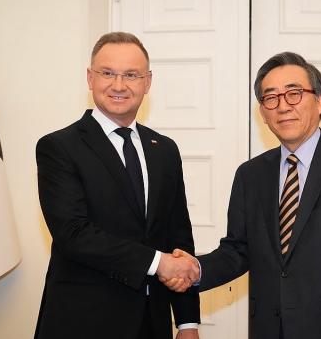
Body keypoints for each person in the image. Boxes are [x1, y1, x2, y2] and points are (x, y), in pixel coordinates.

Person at [163, 52, 321, 339]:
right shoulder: (249, 175)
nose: (283, 106)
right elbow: (238, 250)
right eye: (270, 98)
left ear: (320, 101)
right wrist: (195, 269)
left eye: (294, 94)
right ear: (262, 112)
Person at [35, 32, 200, 339]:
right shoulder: (59, 147)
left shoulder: (164, 149)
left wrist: (188, 321)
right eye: (108, 73)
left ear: (147, 83)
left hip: (152, 323)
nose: (119, 85)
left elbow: (177, 234)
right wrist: (157, 262)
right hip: (83, 323)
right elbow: (73, 234)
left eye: (131, 75)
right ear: (90, 78)